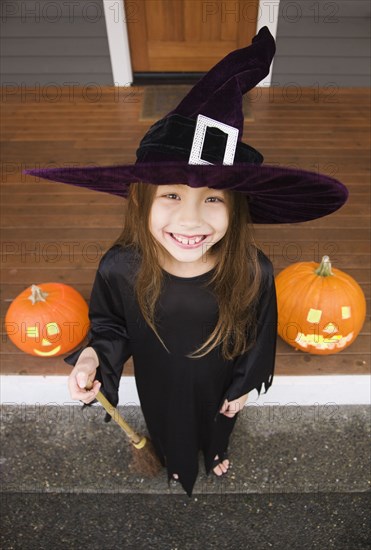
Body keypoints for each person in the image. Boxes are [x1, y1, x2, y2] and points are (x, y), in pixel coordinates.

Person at [24, 27, 348, 497]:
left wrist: (242, 386)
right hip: (159, 378)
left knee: (219, 418)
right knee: (169, 422)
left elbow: (258, 335)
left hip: (221, 376)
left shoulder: (251, 269)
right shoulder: (120, 266)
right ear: (140, 201)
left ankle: (215, 450)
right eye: (171, 194)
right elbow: (112, 326)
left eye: (213, 197)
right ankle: (179, 463)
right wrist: (94, 356)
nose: (190, 219)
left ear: (237, 208)